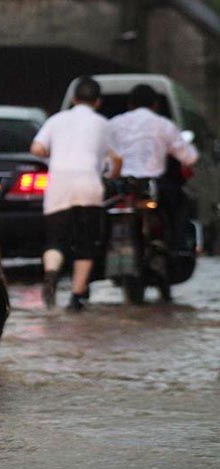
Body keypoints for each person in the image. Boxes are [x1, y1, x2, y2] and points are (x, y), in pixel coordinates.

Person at [31, 77, 121, 312]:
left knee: (55, 240)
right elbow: (117, 158)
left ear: (73, 99)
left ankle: (51, 275)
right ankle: (76, 296)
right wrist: (113, 177)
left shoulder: (56, 120)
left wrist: (53, 156)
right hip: (89, 183)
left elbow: (36, 148)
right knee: (85, 242)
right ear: (98, 102)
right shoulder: (103, 124)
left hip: (59, 182)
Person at [108, 84, 199, 251]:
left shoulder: (114, 124)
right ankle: (177, 248)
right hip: (155, 186)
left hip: (120, 187)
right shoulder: (163, 125)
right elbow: (190, 157)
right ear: (155, 105)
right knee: (181, 204)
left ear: (130, 104)